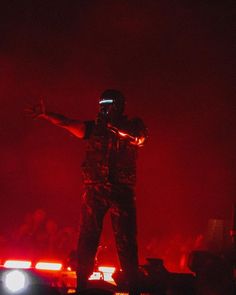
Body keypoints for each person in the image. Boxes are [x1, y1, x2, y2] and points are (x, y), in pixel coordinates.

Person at [27, 89, 147, 294]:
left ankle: (134, 286)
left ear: (119, 105)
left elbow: (139, 138)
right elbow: (67, 123)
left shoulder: (134, 126)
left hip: (122, 190)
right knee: (88, 236)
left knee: (126, 240)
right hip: (95, 188)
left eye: (108, 104)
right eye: (102, 104)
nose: (104, 108)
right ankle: (83, 282)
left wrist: (112, 126)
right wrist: (47, 115)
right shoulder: (94, 129)